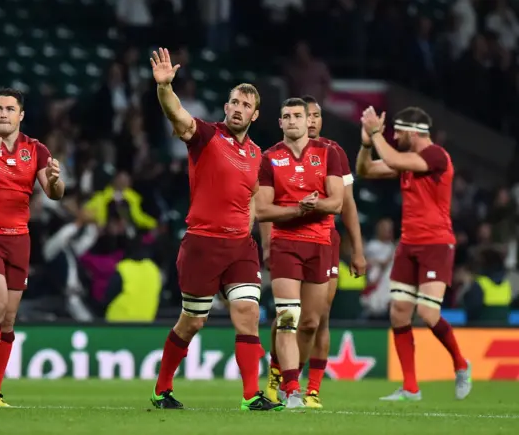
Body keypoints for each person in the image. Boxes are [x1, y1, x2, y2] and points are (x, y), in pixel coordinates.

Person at [148, 48, 283, 412]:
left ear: (255, 114)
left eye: (245, 105)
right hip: (202, 244)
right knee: (192, 321)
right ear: (226, 106)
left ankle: (251, 395)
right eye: (234, 102)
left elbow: (257, 201)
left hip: (240, 246)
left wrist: (260, 238)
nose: (238, 108)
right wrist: (164, 88)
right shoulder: (206, 136)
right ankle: (162, 389)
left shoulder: (258, 155)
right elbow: (178, 116)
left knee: (248, 313)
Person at [356, 106, 471, 401]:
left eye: (398, 132)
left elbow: (392, 157)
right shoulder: (408, 162)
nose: (394, 137)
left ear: (412, 132)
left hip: (436, 244)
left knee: (428, 312)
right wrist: (367, 144)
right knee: (399, 312)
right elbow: (365, 169)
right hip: (408, 244)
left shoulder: (435, 155)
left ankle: (461, 364)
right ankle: (410, 387)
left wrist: (376, 132)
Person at [0, 88, 65, 407]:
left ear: (21, 115)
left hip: (18, 239)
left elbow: (54, 193)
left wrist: (57, 179)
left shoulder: (35, 149)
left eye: (9, 108)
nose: (3, 113)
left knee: (8, 318)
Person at [262, 95, 366, 407]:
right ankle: (286, 381)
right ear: (283, 121)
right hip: (285, 242)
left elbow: (344, 204)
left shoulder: (332, 153)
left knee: (315, 320)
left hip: (324, 243)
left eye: (311, 116)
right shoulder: (271, 158)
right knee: (287, 316)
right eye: (292, 116)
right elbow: (264, 208)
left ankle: (309, 386)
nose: (307, 121)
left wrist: (356, 250)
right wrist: (269, 244)